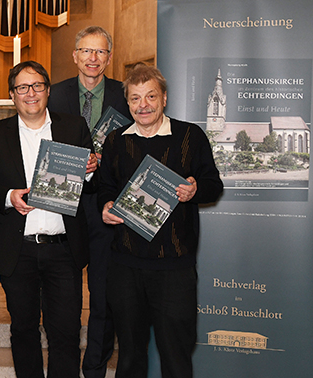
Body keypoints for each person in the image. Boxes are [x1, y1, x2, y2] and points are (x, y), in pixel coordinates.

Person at [98, 65, 223, 378]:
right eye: (136, 98)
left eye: (151, 96)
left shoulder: (190, 135)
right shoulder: (114, 140)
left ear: (164, 98)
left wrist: (195, 189)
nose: (144, 105)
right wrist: (106, 205)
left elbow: (213, 183)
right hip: (125, 267)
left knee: (176, 357)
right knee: (128, 357)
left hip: (174, 269)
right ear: (127, 103)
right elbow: (105, 186)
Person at [0, 61, 97, 378]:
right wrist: (8, 197)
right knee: (24, 331)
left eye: (37, 86)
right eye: (22, 87)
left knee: (66, 333)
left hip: (63, 249)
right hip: (18, 250)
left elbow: (94, 185)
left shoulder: (73, 128)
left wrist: (90, 171)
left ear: (48, 90)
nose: (30, 93)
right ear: (12, 95)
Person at [47, 25, 131, 378]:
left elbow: (134, 148)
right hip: (63, 205)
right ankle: (63, 365)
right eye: (86, 51)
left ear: (109, 58)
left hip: (106, 205)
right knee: (63, 292)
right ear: (75, 55)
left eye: (100, 52)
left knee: (102, 290)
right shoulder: (54, 95)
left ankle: (94, 366)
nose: (93, 58)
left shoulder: (126, 95)